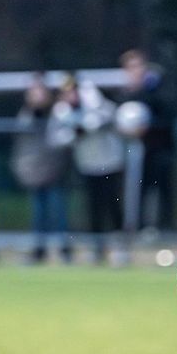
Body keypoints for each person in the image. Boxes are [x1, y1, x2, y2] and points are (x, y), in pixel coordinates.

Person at [49, 75, 125, 263]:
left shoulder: (94, 101)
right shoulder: (62, 111)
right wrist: (73, 134)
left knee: (113, 206)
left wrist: (90, 123)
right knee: (94, 208)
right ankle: (97, 248)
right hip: (87, 165)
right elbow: (54, 138)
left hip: (110, 162)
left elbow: (110, 116)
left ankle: (120, 248)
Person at [10, 72, 72, 263]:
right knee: (38, 215)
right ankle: (39, 251)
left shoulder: (57, 111)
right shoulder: (26, 113)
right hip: (35, 173)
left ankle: (65, 252)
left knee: (58, 213)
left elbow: (61, 140)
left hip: (54, 171)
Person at [117, 49, 176, 231]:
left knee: (162, 188)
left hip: (159, 149)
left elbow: (169, 113)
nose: (134, 71)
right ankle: (137, 226)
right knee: (138, 189)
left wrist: (148, 127)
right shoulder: (126, 92)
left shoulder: (158, 87)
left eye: (137, 66)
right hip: (136, 151)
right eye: (130, 68)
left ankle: (164, 228)